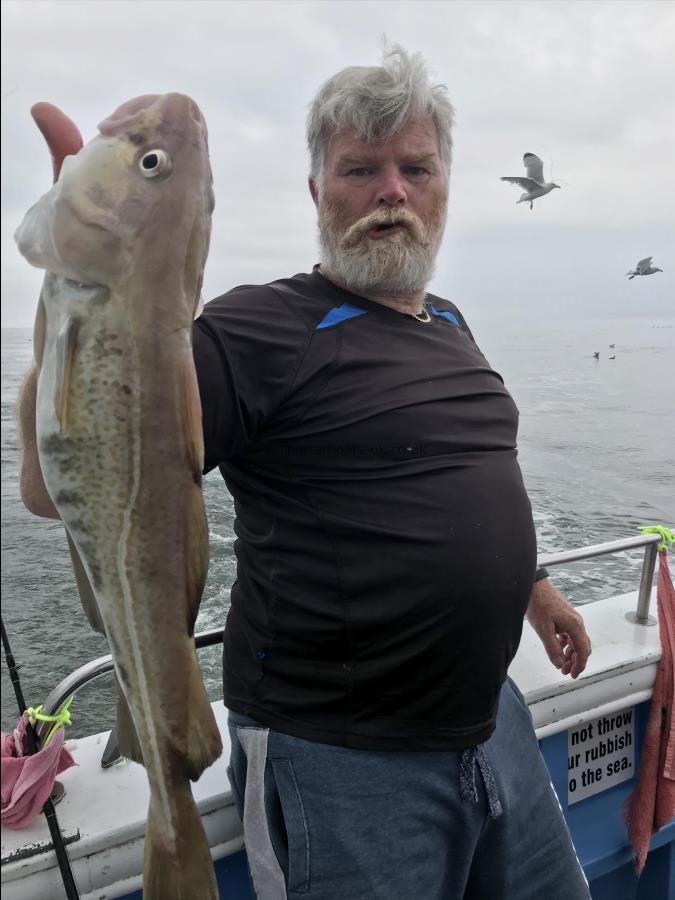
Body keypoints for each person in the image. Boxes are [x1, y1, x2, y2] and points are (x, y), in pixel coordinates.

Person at [18, 46, 592, 900]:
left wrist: (533, 588)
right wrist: (96, 285)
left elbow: (468, 473)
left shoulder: (447, 320)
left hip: (492, 723)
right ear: (318, 192)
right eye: (360, 169)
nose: (390, 191)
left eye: (414, 168)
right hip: (344, 762)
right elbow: (58, 482)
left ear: (443, 187)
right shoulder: (259, 330)